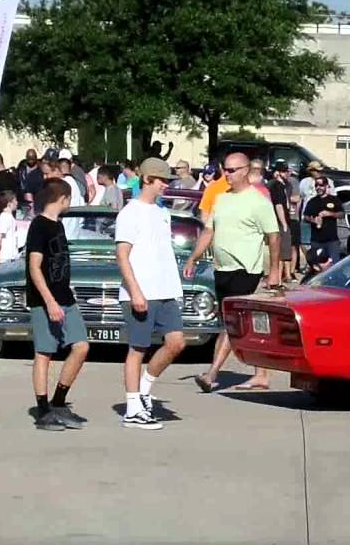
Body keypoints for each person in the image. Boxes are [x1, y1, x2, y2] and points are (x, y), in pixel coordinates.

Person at [185, 152, 280, 393]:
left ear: (246, 170)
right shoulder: (222, 199)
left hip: (246, 269)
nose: (227, 174)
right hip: (222, 268)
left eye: (232, 170)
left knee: (232, 324)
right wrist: (193, 258)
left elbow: (274, 236)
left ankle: (211, 374)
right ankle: (261, 374)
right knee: (238, 324)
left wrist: (274, 271)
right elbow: (208, 231)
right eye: (225, 169)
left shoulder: (259, 201)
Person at [114, 158, 188, 430]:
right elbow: (122, 255)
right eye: (162, 181)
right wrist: (135, 291)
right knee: (138, 348)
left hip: (166, 290)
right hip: (141, 291)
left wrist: (175, 287)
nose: (165, 186)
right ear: (148, 180)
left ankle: (144, 389)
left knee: (177, 342)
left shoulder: (162, 211)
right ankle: (133, 409)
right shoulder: (130, 213)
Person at [25, 179, 90, 430]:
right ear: (63, 199)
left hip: (65, 297)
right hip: (44, 300)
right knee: (44, 352)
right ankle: (43, 410)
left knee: (81, 346)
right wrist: (49, 301)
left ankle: (59, 401)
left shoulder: (58, 225)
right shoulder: (39, 226)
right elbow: (34, 267)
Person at [301, 176, 344, 266]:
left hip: (332, 240)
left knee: (334, 266)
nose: (318, 187)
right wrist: (313, 220)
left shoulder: (334, 199)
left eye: (321, 185)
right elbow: (305, 216)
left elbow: (341, 214)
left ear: (326, 186)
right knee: (317, 266)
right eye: (316, 185)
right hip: (316, 241)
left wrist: (330, 214)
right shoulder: (312, 201)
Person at [267, 161, 296, 281]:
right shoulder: (276, 186)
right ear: (277, 172)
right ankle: (277, 279)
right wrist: (283, 223)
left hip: (285, 219)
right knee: (280, 251)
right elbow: (278, 205)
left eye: (286, 171)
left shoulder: (283, 185)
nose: (286, 173)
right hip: (279, 222)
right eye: (283, 171)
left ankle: (280, 278)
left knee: (284, 251)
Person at [0, 190, 21, 265]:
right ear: (9, 204)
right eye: (15, 200)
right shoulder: (5, 217)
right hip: (4, 259)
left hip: (10, 258)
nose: (17, 203)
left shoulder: (9, 217)